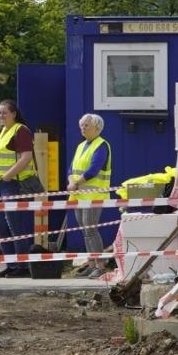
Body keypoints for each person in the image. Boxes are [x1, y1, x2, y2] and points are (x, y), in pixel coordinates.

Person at [0, 99, 36, 278]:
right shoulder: (2, 133)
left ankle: (22, 266)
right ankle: (11, 264)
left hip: (12, 184)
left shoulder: (20, 131)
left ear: (14, 114)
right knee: (0, 225)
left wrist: (7, 176)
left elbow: (26, 157)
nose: (1, 115)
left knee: (15, 225)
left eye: (4, 112)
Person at [66, 113, 114, 276]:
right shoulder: (81, 146)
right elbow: (71, 168)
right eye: (82, 125)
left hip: (94, 195)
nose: (83, 128)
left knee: (91, 229)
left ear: (97, 128)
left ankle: (100, 266)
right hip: (79, 195)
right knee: (85, 230)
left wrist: (75, 183)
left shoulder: (102, 145)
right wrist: (71, 181)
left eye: (87, 125)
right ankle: (92, 263)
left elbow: (94, 169)